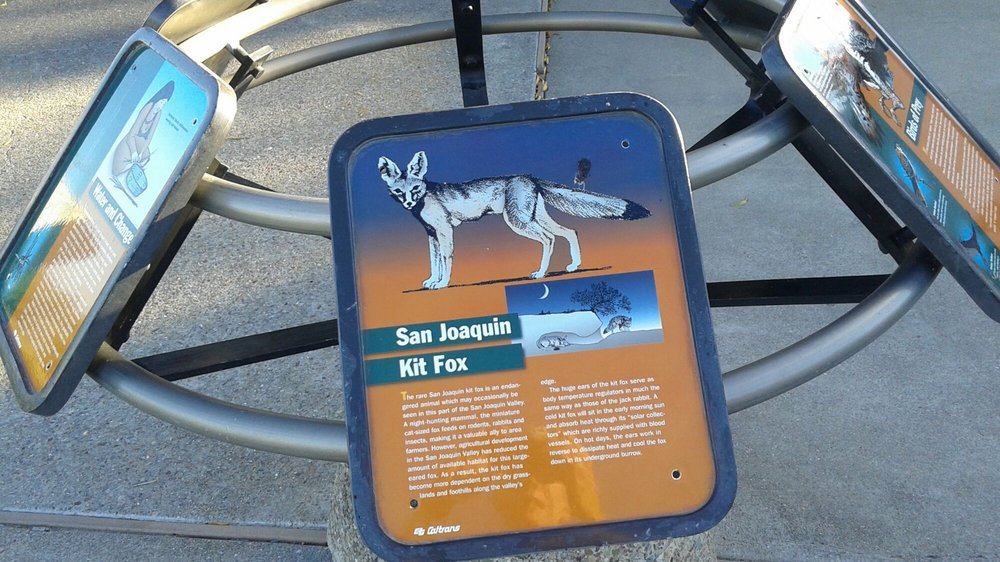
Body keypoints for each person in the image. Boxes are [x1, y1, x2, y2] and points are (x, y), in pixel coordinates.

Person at [111, 81, 174, 197]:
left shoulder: (158, 113)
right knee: (118, 167)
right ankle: (123, 175)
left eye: (164, 103)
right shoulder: (148, 107)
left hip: (142, 142)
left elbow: (149, 137)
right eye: (161, 102)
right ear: (158, 99)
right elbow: (131, 134)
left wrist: (140, 152)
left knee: (146, 157)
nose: (161, 106)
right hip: (131, 139)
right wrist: (134, 152)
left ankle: (130, 177)